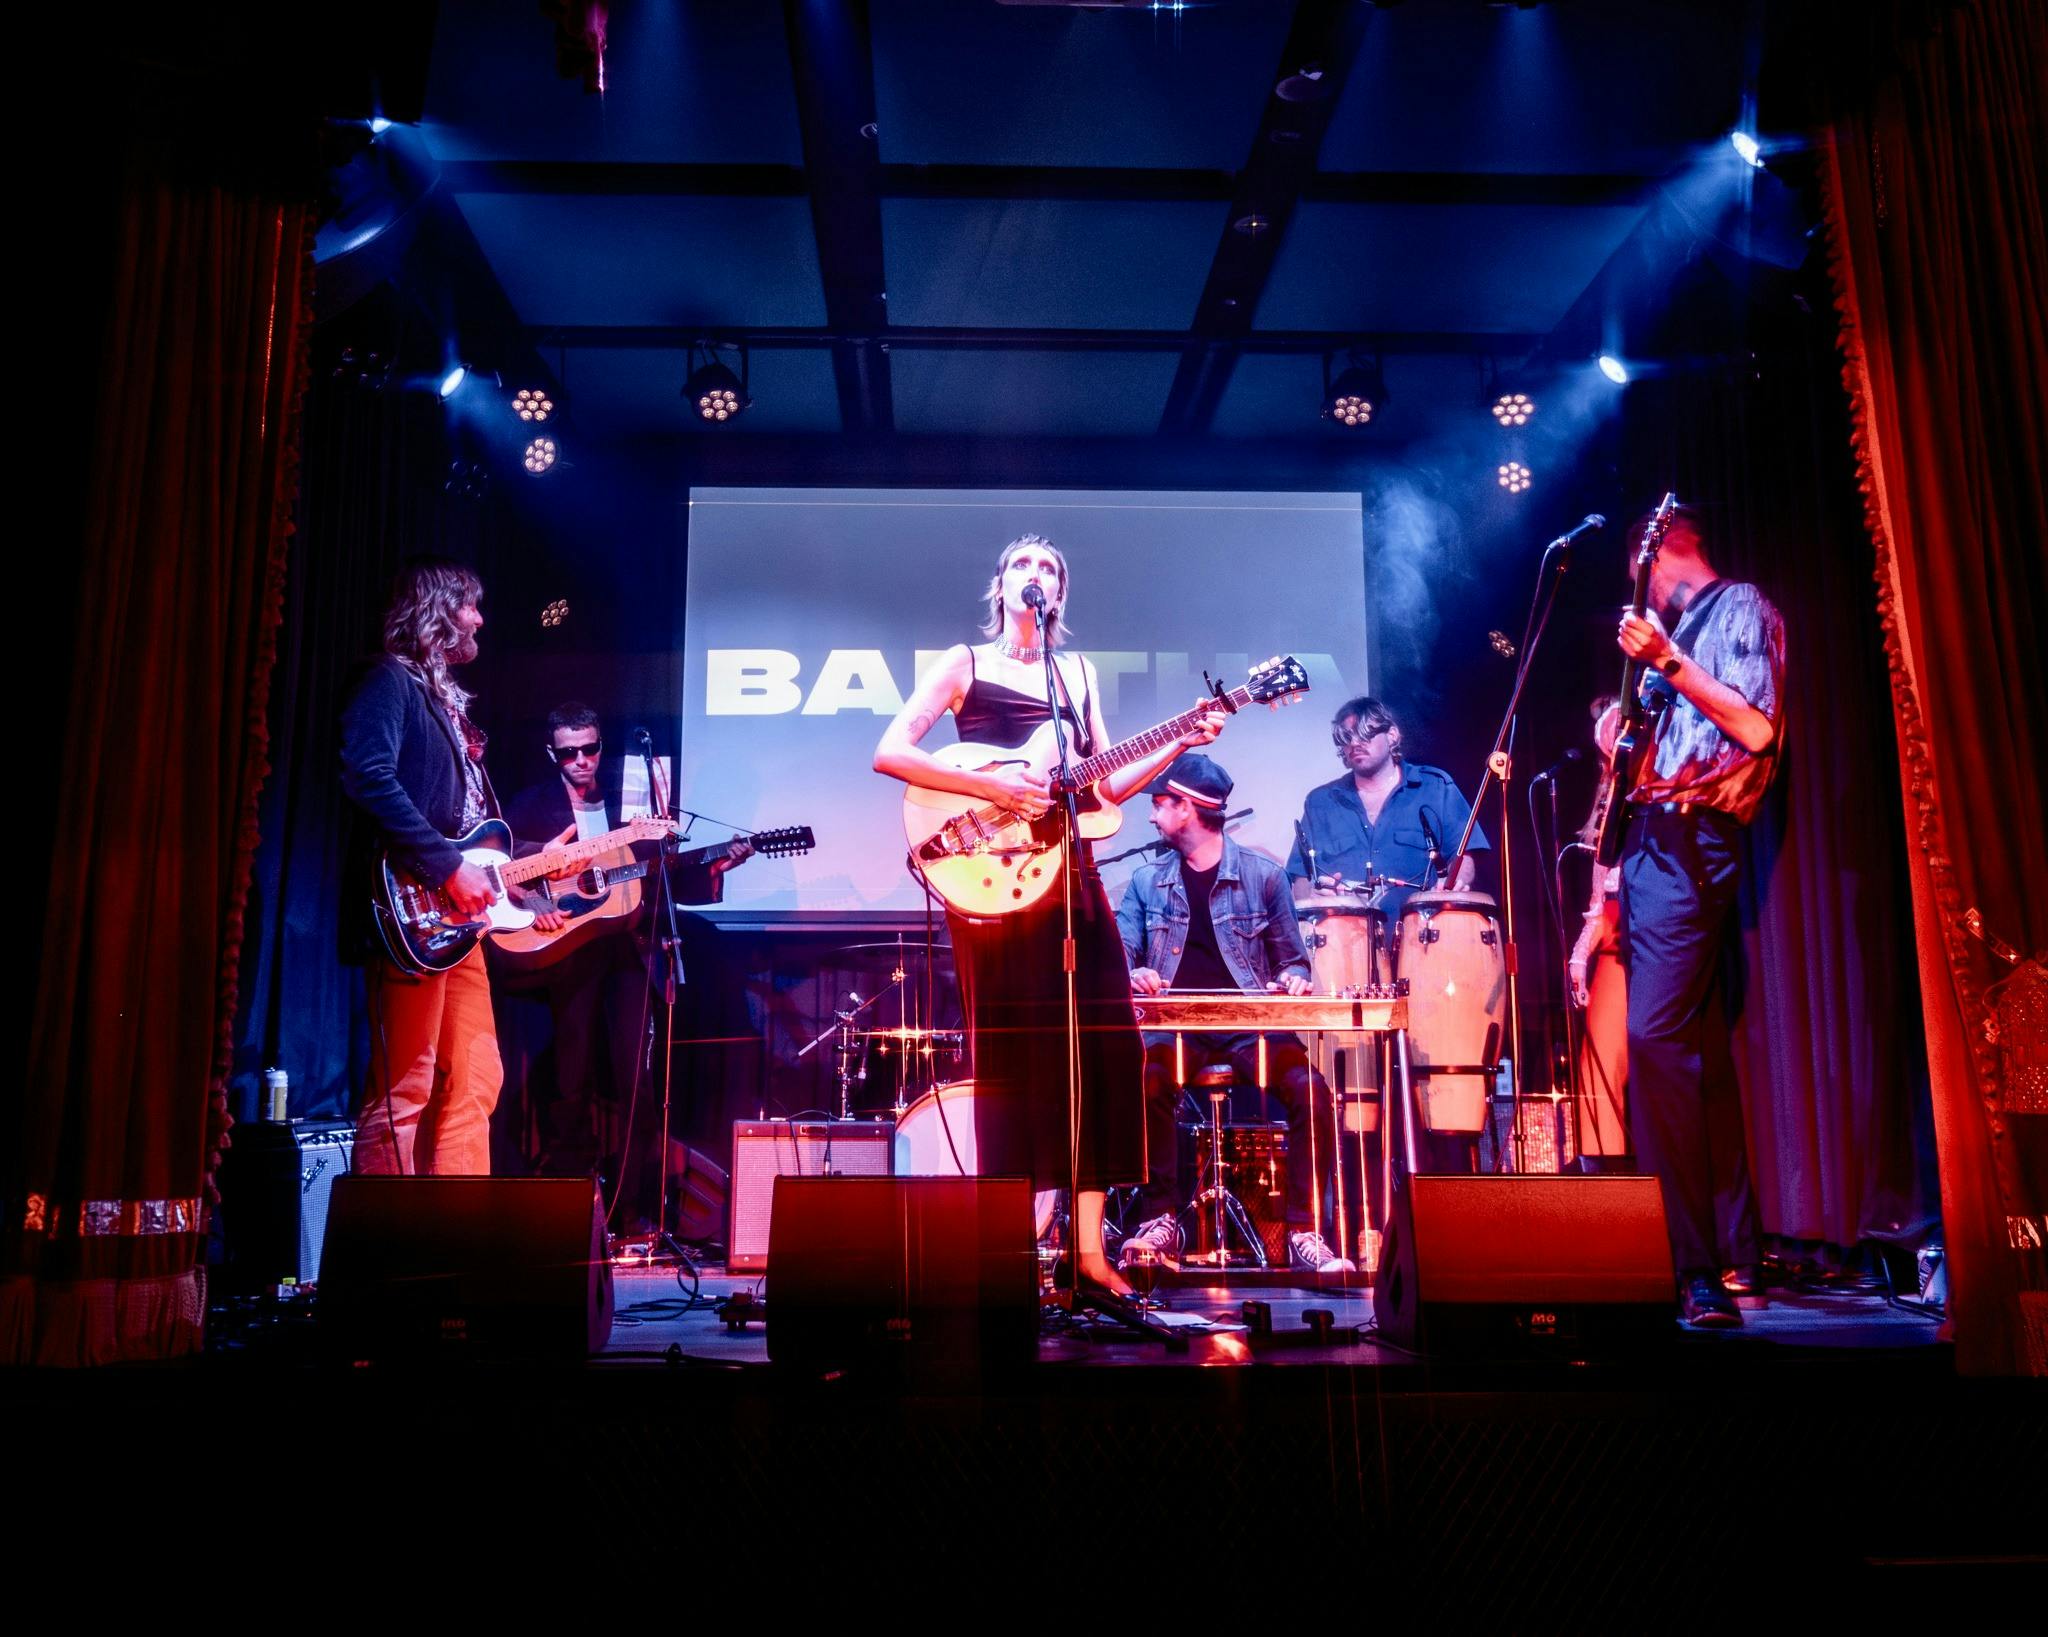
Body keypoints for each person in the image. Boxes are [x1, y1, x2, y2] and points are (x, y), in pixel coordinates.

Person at [873, 532, 1225, 1298]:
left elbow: (1101, 787)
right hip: (990, 881)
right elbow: (891, 750)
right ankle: (1006, 1248)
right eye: (1023, 566)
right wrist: (1001, 792)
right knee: (1011, 1065)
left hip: (1069, 873)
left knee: (1105, 1047)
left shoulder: (1079, 673)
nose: (1036, 577)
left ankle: (1090, 1255)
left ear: (1058, 595)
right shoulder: (965, 662)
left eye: (1050, 569)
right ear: (1000, 586)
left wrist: (1178, 742)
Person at [1611, 503, 1785, 1328]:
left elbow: (1754, 726)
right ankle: (1733, 1248)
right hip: (1654, 841)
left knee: (1655, 1040)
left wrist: (1670, 661)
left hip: (1690, 842)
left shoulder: (1738, 605)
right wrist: (1625, 738)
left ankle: (1692, 1271)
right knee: (1699, 1048)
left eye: (1638, 571)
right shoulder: (1674, 644)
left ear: (1665, 550)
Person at [1113, 753, 1346, 1273]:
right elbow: (1122, 954)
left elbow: (1293, 959)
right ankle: (1158, 1219)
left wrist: (1294, 978)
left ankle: (1306, 1231)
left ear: (1189, 809)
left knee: (1313, 1093)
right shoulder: (1147, 881)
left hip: (1249, 1029)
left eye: (1160, 804)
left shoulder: (1263, 875)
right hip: (1179, 1028)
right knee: (1146, 1079)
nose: (1152, 816)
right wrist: (1134, 974)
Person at [501, 703, 753, 1181]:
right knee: (570, 1070)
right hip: (568, 950)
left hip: (630, 950)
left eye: (589, 748)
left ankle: (633, 1200)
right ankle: (568, 1186)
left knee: (636, 1074)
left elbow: (655, 875)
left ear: (601, 746)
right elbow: (504, 867)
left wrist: (714, 868)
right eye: (569, 752)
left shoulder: (630, 806)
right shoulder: (533, 804)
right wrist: (537, 907)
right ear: (552, 754)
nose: (581, 760)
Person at [339, 557, 530, 1174]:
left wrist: (528, 895)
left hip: (461, 922)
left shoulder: (443, 699)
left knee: (479, 1079)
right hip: (414, 910)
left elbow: (474, 827)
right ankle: (389, 1256)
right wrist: (448, 867)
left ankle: (457, 1245)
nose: (479, 617)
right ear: (440, 611)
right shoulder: (388, 680)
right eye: (470, 604)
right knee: (407, 1085)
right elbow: (366, 775)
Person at [1286, 695, 1485, 923]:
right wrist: (1310, 899)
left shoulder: (1435, 787)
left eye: (1364, 733)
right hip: (1342, 945)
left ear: (1392, 735)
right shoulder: (1320, 802)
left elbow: (1464, 854)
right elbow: (1300, 876)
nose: (1354, 743)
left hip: (1425, 938)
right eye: (1346, 737)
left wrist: (1453, 885)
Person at [1568, 696, 1630, 1166]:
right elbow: (1596, 904)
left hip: (1652, 930)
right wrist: (1578, 957)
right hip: (1612, 937)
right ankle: (1606, 1173)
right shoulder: (1606, 805)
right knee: (1598, 1059)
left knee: (1649, 1057)